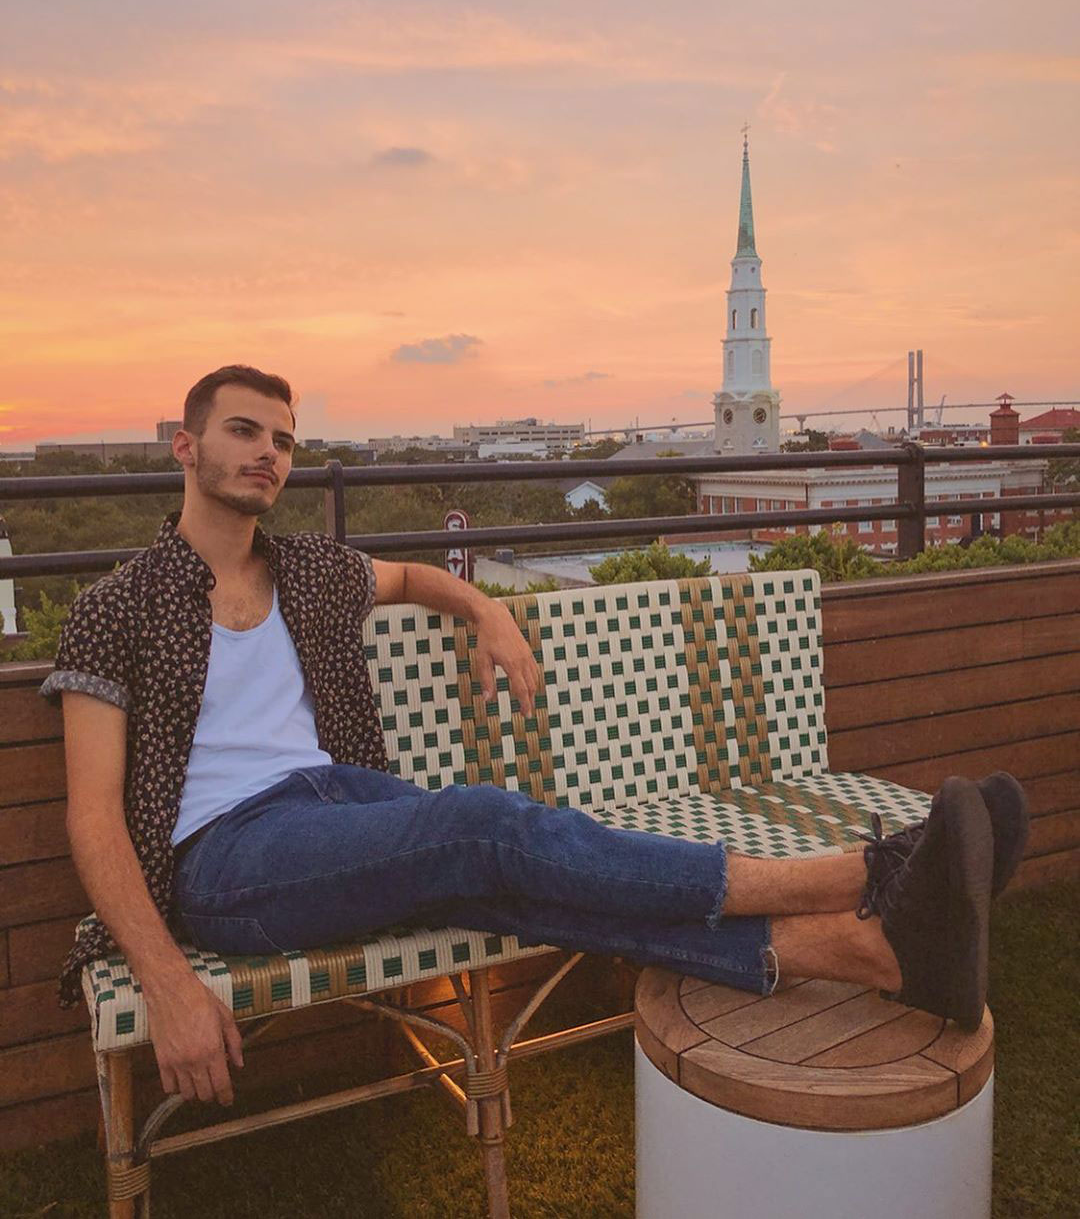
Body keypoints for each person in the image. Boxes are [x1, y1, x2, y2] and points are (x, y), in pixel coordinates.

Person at [43, 364, 1028, 1112]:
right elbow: (93, 819)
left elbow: (415, 579)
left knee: (508, 878)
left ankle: (872, 957)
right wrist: (168, 987)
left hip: (332, 799)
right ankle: (865, 874)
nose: (270, 453)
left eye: (286, 441)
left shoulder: (308, 570)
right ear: (184, 446)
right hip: (223, 859)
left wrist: (489, 613)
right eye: (245, 432)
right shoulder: (116, 608)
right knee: (487, 828)